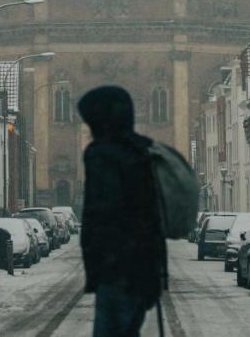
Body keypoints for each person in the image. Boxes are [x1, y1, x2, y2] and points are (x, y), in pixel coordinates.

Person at [78, 85, 166, 337]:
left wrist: (96, 269)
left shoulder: (101, 155)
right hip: (144, 269)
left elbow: (99, 216)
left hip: (114, 269)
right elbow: (152, 215)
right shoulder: (143, 150)